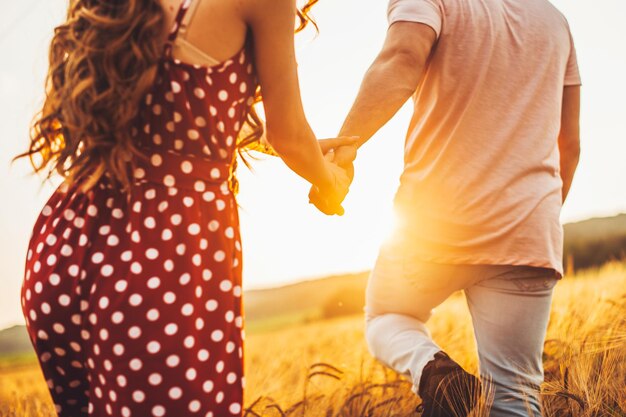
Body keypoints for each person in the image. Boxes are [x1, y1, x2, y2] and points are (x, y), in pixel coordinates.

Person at [17, 0, 352, 416]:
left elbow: (177, 113)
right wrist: (328, 179)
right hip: (159, 257)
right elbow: (291, 135)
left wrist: (290, 151)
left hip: (64, 249)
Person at [312, 0, 581, 415]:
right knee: (514, 395)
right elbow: (571, 146)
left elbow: (401, 57)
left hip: (432, 222)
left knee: (386, 317)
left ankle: (434, 373)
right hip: (528, 226)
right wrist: (533, 222)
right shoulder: (556, 22)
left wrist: (345, 148)